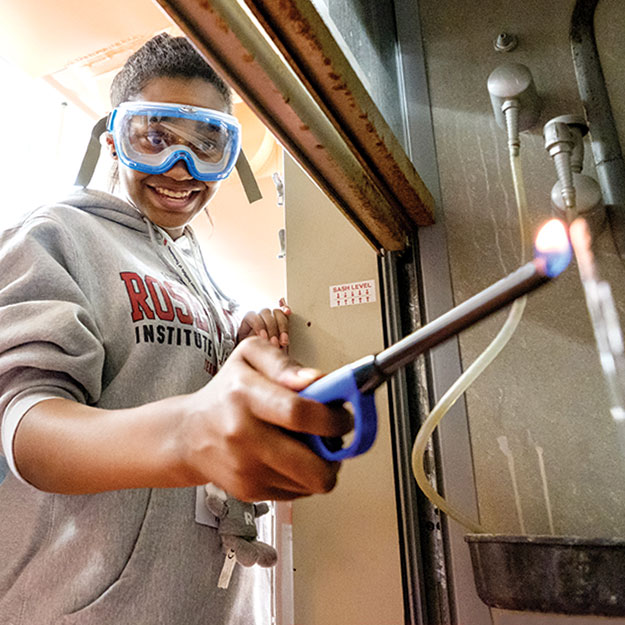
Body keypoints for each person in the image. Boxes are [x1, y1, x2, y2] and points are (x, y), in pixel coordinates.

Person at [0, 33, 350, 624]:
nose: (181, 169)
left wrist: (239, 337)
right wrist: (187, 437)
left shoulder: (206, 280)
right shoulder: (55, 235)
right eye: (156, 138)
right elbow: (26, 430)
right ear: (114, 139)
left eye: (208, 145)